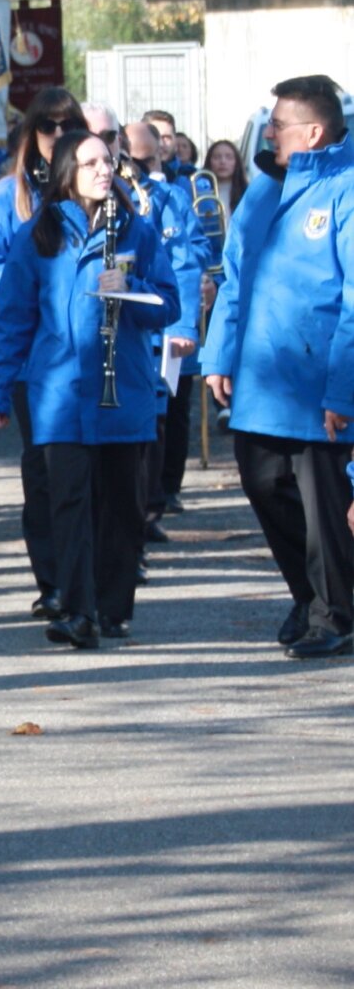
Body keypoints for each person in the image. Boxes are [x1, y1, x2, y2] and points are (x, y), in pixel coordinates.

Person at [0, 132, 179, 647]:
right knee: (67, 502)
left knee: (121, 505)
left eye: (107, 161)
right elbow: (11, 318)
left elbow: (170, 303)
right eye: (89, 162)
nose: (102, 170)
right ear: (68, 170)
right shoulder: (37, 235)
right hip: (58, 394)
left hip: (125, 389)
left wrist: (134, 293)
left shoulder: (137, 230)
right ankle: (76, 610)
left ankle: (113, 609)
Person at [203, 75, 354, 659]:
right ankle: (308, 594)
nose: (268, 133)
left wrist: (343, 388)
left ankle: (334, 614)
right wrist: (219, 354)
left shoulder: (344, 189)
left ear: (313, 132)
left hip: (317, 384)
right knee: (264, 485)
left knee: (325, 510)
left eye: (279, 125)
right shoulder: (265, 188)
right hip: (261, 379)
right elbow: (235, 276)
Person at [0, 87, 87, 619]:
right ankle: (53, 583)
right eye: (48, 127)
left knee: (89, 475)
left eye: (68, 126)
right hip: (29, 357)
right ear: (31, 134)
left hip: (84, 356)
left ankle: (91, 578)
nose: (58, 137)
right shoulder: (7, 194)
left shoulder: (99, 186)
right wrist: (35, 276)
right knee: (42, 474)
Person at [118, 120, 203, 551]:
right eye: (132, 160)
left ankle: (150, 509)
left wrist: (185, 325)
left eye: (149, 160)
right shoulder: (109, 197)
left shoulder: (169, 197)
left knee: (159, 418)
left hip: (160, 323)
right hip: (115, 329)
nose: (140, 169)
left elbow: (186, 260)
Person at [203, 138, 249, 212]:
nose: (223, 162)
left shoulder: (248, 193)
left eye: (229, 157)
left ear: (237, 162)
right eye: (217, 157)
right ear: (209, 162)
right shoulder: (200, 193)